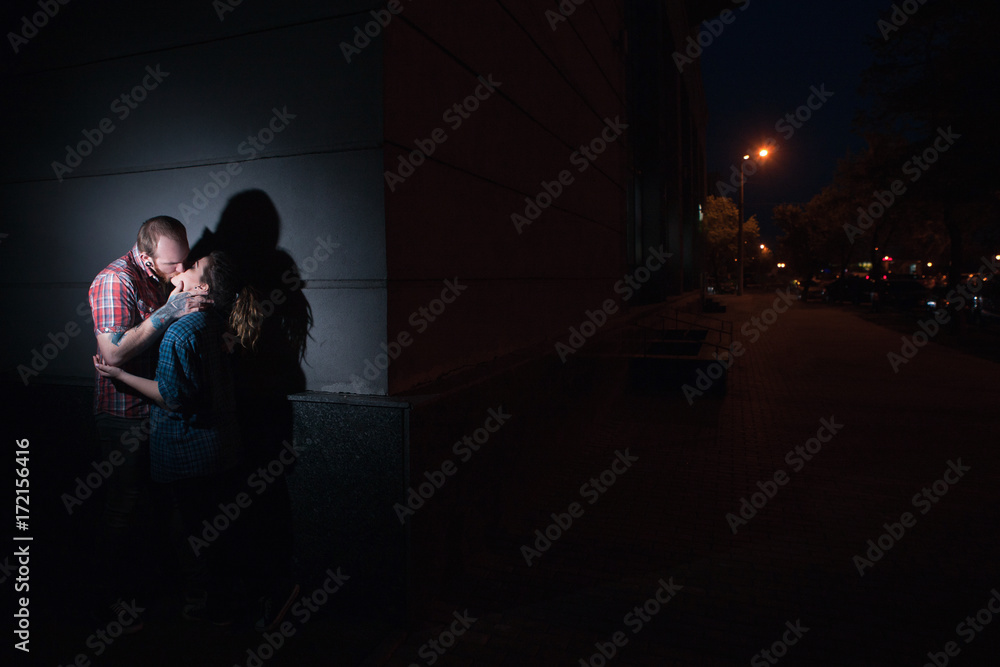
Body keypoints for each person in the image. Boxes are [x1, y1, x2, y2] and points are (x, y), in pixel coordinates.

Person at [94, 251, 263, 624]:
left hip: (187, 452)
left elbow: (171, 397)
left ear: (201, 287)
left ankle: (204, 608)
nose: (182, 267)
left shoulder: (180, 332)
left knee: (190, 531)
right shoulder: (214, 322)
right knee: (216, 528)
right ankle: (224, 604)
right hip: (221, 448)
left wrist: (119, 376)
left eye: (192, 266)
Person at [88, 216, 207, 629]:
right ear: (144, 257)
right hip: (124, 414)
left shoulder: (165, 276)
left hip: (164, 410)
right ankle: (109, 601)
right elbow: (114, 354)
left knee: (171, 508)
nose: (180, 270)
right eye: (172, 264)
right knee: (123, 507)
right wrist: (169, 312)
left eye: (185, 262)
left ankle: (176, 596)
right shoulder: (115, 280)